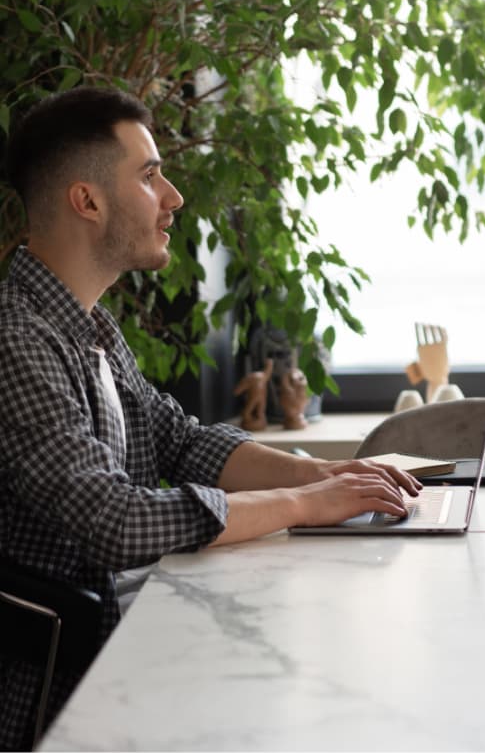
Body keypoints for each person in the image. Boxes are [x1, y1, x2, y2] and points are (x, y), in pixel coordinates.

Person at [0, 86, 421, 749]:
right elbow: (115, 521)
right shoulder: (16, 340)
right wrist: (306, 502)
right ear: (87, 200)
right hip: (52, 699)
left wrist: (337, 476)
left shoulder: (90, 329)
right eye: (149, 175)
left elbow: (184, 442)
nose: (173, 197)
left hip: (118, 657)